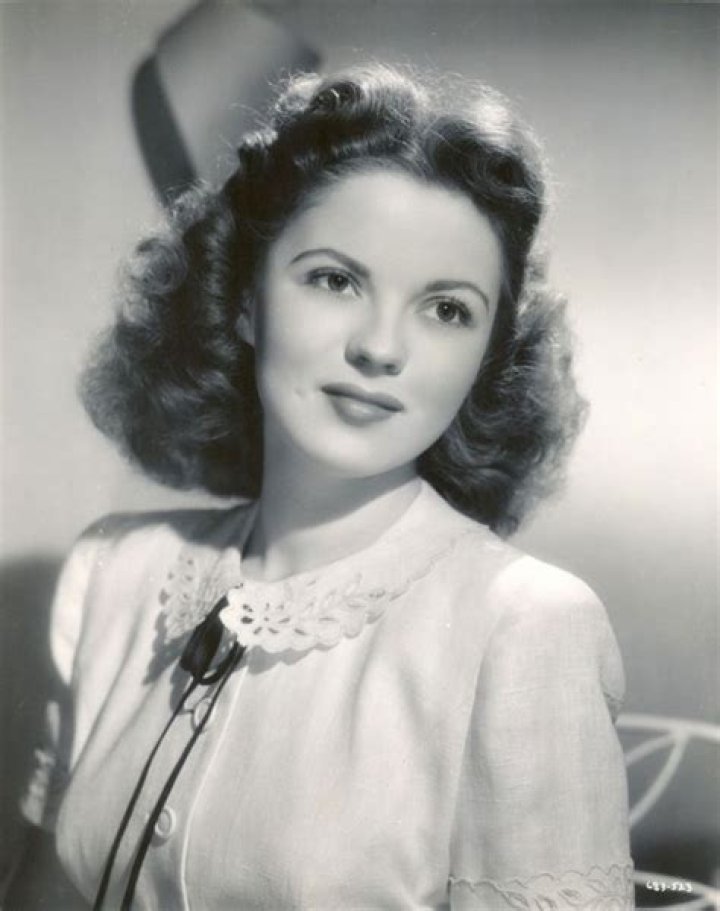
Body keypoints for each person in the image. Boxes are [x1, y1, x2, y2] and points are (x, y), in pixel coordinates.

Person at [8, 64, 634, 909]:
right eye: (336, 279)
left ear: (488, 355)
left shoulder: (524, 626)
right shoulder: (115, 571)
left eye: (447, 309)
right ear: (244, 299)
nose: (381, 347)